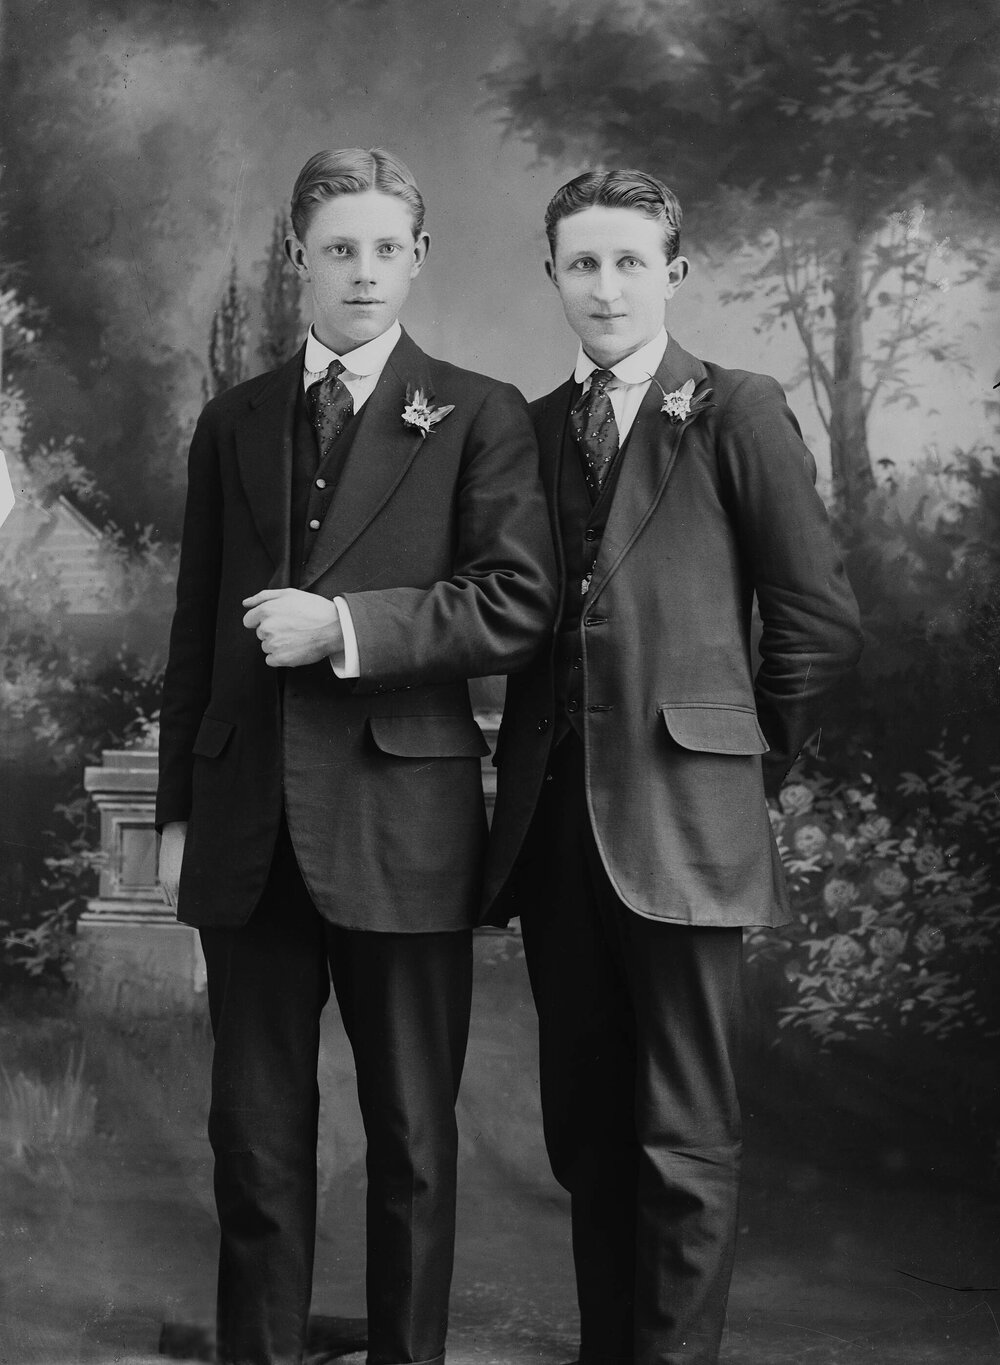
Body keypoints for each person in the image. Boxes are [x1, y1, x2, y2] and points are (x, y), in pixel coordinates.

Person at [155, 146, 555, 1365]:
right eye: (339, 248)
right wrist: (179, 808)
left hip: (405, 822)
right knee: (255, 1135)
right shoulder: (235, 419)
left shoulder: (480, 412)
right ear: (298, 261)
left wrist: (344, 628)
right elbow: (194, 626)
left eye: (387, 248)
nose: (364, 272)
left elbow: (514, 603)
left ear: (419, 258)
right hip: (248, 826)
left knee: (413, 1138)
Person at [483, 169, 863, 1365]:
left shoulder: (737, 408)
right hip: (554, 840)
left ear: (672, 273)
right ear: (551, 276)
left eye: (628, 262)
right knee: (587, 1131)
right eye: (582, 264)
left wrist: (741, 773)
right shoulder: (528, 430)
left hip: (688, 825)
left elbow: (816, 620)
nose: (605, 287)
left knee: (683, 1139)